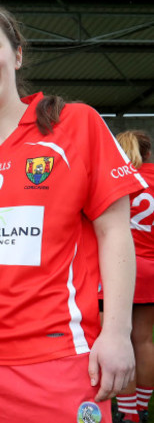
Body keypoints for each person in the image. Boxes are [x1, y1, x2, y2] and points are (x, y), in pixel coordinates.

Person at [0, 5, 143, 422]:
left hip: (59, 357)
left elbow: (115, 232)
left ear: (16, 54)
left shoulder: (76, 123)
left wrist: (118, 331)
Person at [112, 130, 154, 423]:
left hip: (119, 270)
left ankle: (127, 413)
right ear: (148, 153)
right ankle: (141, 407)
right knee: (144, 341)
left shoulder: (117, 178)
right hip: (152, 269)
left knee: (119, 340)